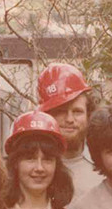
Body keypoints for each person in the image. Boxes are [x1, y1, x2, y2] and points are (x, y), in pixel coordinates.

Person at [37, 62, 102, 200]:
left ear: (89, 114)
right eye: (61, 111)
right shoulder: (34, 169)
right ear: (46, 116)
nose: (70, 119)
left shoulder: (105, 161)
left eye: (77, 111)